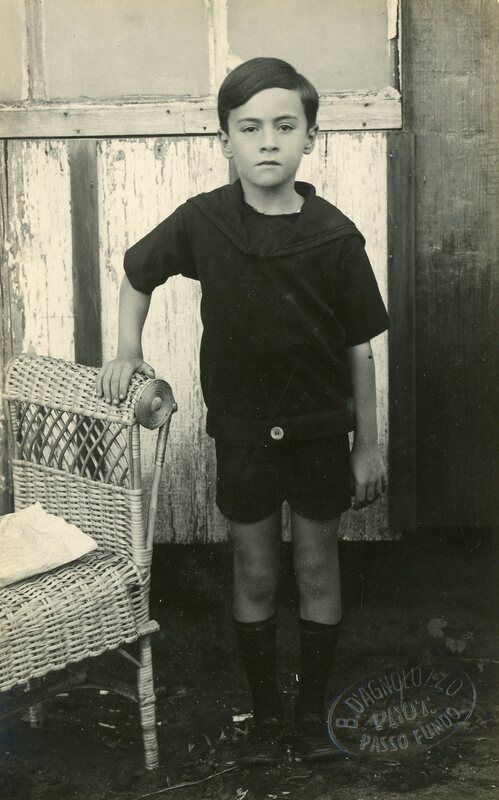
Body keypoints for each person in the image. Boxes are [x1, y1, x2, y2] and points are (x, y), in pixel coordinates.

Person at [96, 57, 389, 765]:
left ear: (310, 136)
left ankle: (310, 718)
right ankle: (265, 719)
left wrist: (367, 444)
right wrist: (127, 350)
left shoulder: (334, 235)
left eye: (284, 126)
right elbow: (137, 273)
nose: (267, 141)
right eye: (249, 127)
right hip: (243, 433)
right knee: (254, 572)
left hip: (320, 432)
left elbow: (359, 349)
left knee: (316, 568)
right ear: (224, 138)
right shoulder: (204, 221)